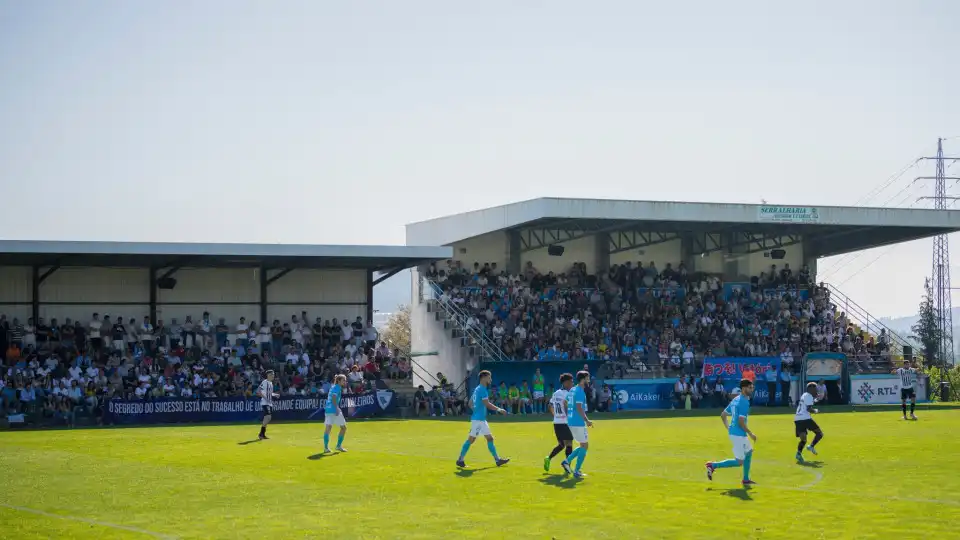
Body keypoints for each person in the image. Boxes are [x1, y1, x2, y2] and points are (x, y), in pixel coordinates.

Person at [704, 379, 757, 487]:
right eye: (750, 387)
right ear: (744, 388)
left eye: (752, 387)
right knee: (739, 462)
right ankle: (712, 465)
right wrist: (751, 433)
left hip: (736, 433)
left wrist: (729, 428)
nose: (752, 389)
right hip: (738, 434)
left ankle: (746, 479)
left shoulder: (736, 399)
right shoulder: (744, 402)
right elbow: (741, 422)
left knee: (749, 452)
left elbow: (723, 415)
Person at [456, 370, 510, 469]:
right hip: (478, 420)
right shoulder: (482, 389)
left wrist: (476, 411)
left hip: (480, 419)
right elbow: (487, 404)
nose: (491, 379)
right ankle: (460, 460)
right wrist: (499, 409)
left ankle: (497, 460)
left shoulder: (477, 389)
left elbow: (470, 403)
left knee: (490, 438)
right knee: (471, 440)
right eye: (489, 377)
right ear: (483, 377)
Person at [561, 370, 593, 479]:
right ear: (583, 379)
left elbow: (565, 402)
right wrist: (587, 420)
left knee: (582, 445)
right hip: (578, 422)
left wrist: (568, 414)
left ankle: (567, 462)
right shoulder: (579, 391)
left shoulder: (573, 390)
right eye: (587, 377)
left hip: (571, 421)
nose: (589, 379)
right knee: (585, 445)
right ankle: (576, 470)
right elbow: (579, 408)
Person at [544, 373, 574, 472]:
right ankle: (567, 465)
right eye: (571, 381)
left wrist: (555, 415)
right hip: (565, 422)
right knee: (569, 443)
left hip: (557, 422)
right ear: (565, 383)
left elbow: (550, 405)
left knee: (562, 445)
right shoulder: (567, 394)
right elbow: (566, 406)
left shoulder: (556, 393)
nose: (572, 383)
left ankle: (548, 458)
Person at [794, 382, 823, 463]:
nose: (816, 390)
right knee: (819, 434)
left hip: (797, 419)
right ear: (811, 389)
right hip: (805, 419)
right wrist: (815, 411)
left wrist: (815, 399)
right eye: (815, 388)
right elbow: (809, 409)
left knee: (803, 439)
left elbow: (807, 403)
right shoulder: (809, 396)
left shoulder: (805, 395)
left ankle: (798, 454)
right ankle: (811, 446)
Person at [323, 374, 348, 453]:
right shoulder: (337, 388)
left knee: (328, 428)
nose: (345, 382)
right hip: (334, 410)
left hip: (328, 410)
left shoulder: (333, 387)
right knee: (343, 428)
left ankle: (326, 448)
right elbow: (334, 398)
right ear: (339, 381)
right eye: (343, 380)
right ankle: (338, 446)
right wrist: (337, 408)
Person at [257, 370, 280, 440]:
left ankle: (262, 434)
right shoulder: (264, 382)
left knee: (267, 417)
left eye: (273, 374)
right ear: (268, 375)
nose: (273, 376)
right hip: (265, 402)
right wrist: (266, 398)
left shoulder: (270, 383)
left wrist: (275, 394)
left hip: (269, 403)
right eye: (272, 374)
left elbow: (269, 393)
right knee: (268, 416)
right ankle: (261, 433)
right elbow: (258, 391)